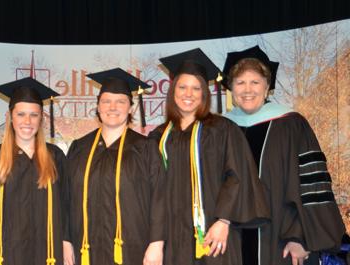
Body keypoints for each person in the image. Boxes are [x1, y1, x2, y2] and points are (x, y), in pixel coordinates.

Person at [221, 45, 345, 265]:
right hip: (231, 242)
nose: (247, 89)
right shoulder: (221, 129)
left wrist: (301, 237)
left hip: (282, 239)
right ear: (230, 87)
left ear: (267, 86)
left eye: (255, 82)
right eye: (240, 82)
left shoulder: (291, 125)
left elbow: (312, 185)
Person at [151, 48, 270, 265]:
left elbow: (238, 176)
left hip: (213, 235)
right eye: (183, 87)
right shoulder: (158, 136)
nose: (189, 94)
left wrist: (224, 221)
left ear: (204, 93)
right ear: (172, 91)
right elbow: (151, 190)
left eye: (196, 88)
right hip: (172, 240)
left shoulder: (223, 129)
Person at [65, 68, 166, 265]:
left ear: (131, 108)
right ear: (98, 106)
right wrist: (66, 240)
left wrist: (157, 244)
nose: (113, 107)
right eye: (106, 101)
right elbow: (65, 197)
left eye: (120, 101)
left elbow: (160, 198)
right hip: (86, 246)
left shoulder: (145, 148)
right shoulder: (80, 147)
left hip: (134, 247)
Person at [0, 77, 68, 265]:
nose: (27, 121)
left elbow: (67, 203)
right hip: (6, 251)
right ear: (10, 117)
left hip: (47, 250)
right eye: (21, 114)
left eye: (34, 115)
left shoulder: (55, 156)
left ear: (41, 118)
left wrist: (66, 241)